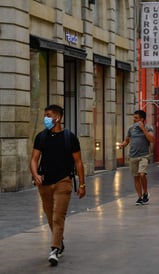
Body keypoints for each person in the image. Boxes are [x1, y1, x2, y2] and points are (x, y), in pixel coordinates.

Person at [30, 104, 86, 266]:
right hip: (45, 183)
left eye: (48, 115)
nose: (45, 119)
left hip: (64, 181)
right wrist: (35, 174)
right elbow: (34, 159)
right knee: (49, 215)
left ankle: (54, 249)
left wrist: (82, 184)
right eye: (45, 115)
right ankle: (60, 241)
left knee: (58, 216)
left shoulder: (70, 137)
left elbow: (78, 162)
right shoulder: (41, 137)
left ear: (58, 118)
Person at [120, 110, 154, 205]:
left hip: (144, 155)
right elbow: (127, 140)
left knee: (142, 174)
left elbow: (152, 139)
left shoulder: (148, 128)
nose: (134, 119)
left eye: (136, 118)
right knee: (136, 177)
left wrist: (143, 129)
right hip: (133, 156)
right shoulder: (130, 129)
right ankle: (139, 197)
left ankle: (146, 192)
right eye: (134, 117)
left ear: (142, 119)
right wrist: (122, 144)